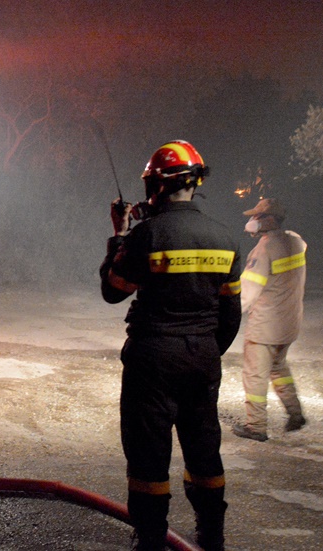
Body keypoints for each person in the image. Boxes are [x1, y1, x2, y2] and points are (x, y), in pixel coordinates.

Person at [100, 140, 242, 551]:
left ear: (156, 186)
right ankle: (211, 536)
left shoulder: (147, 235)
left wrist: (119, 236)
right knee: (203, 449)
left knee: (148, 454)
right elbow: (230, 315)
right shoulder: (225, 238)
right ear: (194, 184)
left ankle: (150, 540)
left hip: (153, 360)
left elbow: (114, 291)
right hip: (202, 357)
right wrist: (205, 350)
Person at [231, 198, 307, 442]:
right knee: (279, 368)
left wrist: (226, 315)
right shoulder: (295, 241)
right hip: (289, 323)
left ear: (270, 220)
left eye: (257, 217)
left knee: (254, 375)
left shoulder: (263, 250)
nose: (252, 221)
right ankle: (295, 413)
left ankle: (256, 426)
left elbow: (248, 292)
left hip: (265, 326)